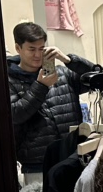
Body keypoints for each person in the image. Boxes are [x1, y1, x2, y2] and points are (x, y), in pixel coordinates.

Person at [7, 22, 97, 180]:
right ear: (18, 48)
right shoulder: (9, 80)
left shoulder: (62, 74)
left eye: (41, 48)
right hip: (36, 163)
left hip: (72, 156)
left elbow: (98, 79)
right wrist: (41, 86)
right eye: (31, 49)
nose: (37, 55)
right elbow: (16, 115)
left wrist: (68, 60)